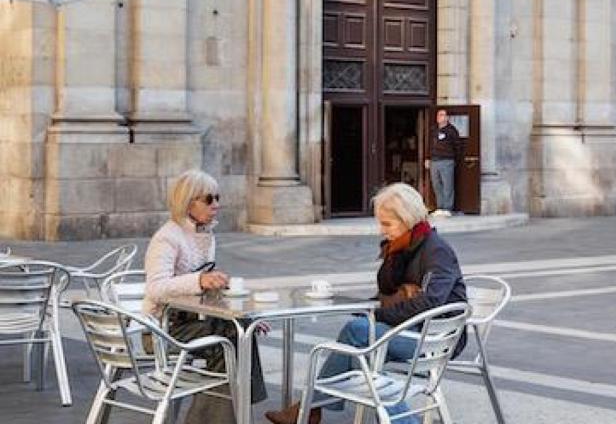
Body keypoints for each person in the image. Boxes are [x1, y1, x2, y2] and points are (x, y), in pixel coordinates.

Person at [266, 182, 468, 424]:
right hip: (410, 331)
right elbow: (385, 289)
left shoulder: (436, 250)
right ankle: (310, 410)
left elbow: (430, 303)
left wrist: (379, 315)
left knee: (357, 335)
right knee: (361, 350)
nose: (382, 230)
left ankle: (310, 410)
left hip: (436, 340)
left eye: (387, 224)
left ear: (407, 219)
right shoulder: (405, 246)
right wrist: (392, 257)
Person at [143, 169, 267, 422]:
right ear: (189, 202)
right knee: (228, 343)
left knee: (243, 331)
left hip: (193, 322)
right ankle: (225, 414)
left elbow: (205, 293)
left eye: (217, 198)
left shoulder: (205, 235)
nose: (216, 206)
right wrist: (199, 280)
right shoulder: (167, 238)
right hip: (162, 329)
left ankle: (235, 410)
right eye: (209, 200)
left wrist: (244, 315)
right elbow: (155, 288)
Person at [425, 108, 461, 217]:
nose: (440, 117)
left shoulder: (452, 130)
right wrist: (427, 158)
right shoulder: (434, 130)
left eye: (442, 115)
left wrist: (455, 159)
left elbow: (457, 146)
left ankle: (447, 207)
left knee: (447, 185)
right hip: (434, 160)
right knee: (436, 184)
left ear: (447, 117)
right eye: (438, 115)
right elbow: (429, 145)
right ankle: (440, 207)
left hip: (447, 160)